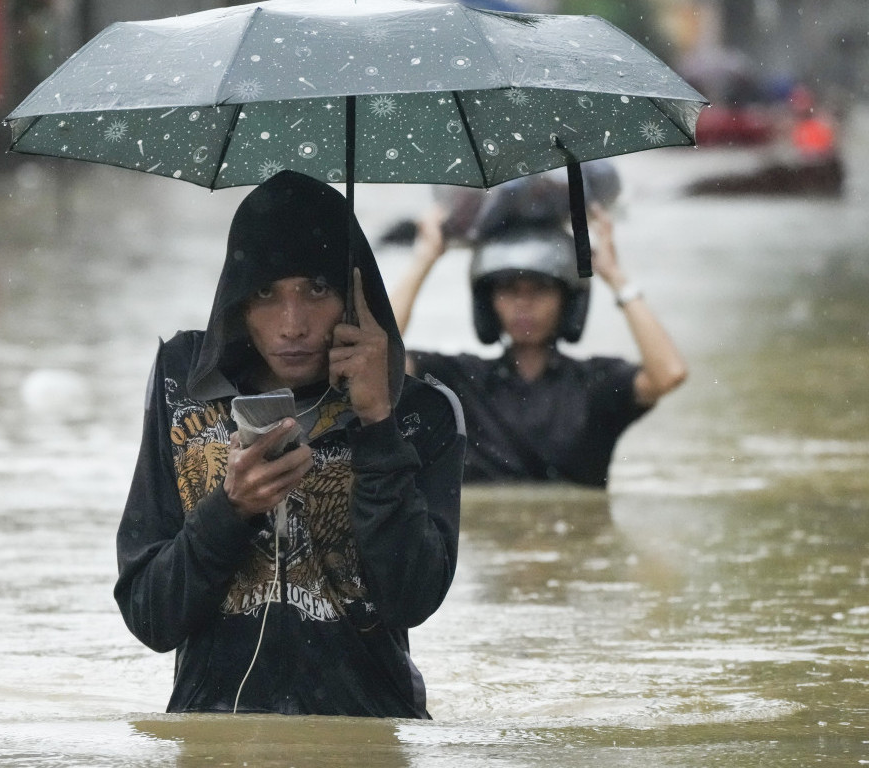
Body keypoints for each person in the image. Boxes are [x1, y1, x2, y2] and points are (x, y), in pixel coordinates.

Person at [115, 170, 465, 718]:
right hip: (215, 738)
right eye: (265, 294)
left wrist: (376, 423)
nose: (292, 324)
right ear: (235, 302)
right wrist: (229, 510)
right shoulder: (182, 386)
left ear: (356, 295)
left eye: (317, 290)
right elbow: (151, 618)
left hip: (364, 736)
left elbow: (411, 598)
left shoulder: (422, 414)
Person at [390, 201, 687, 488]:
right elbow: (381, 360)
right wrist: (424, 259)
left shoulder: (595, 385)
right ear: (488, 302)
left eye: (540, 289)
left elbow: (669, 373)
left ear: (566, 301)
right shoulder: (461, 382)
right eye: (509, 289)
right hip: (488, 539)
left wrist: (615, 277)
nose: (523, 305)